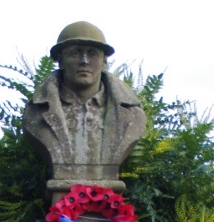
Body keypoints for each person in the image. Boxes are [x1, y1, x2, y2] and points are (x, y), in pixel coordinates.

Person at [23, 21, 146, 194]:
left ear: (104, 61)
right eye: (75, 53)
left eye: (93, 54)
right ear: (60, 60)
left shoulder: (132, 115)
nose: (84, 61)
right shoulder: (36, 114)